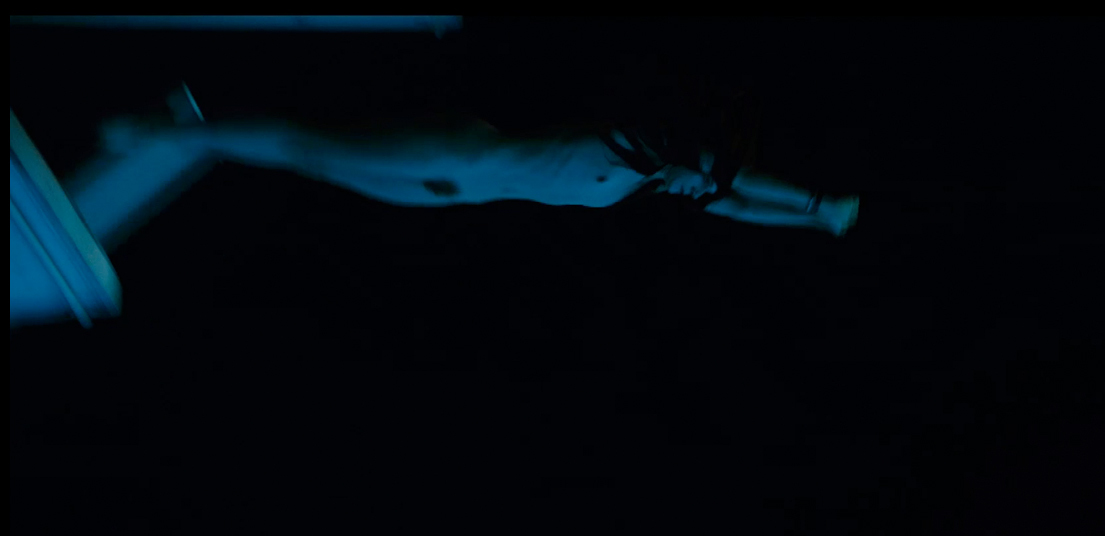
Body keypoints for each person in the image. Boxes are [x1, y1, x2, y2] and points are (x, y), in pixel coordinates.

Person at [99, 111, 859, 236]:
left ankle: (198, 142)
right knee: (310, 143)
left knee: (319, 166)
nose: (704, 192)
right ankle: (164, 132)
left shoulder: (650, 183)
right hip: (455, 155)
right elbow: (737, 178)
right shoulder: (640, 145)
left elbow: (737, 204)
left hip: (451, 192)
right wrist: (820, 199)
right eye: (709, 177)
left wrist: (811, 224)